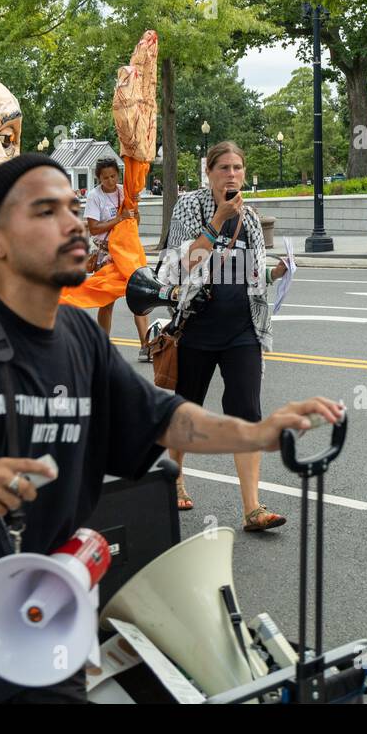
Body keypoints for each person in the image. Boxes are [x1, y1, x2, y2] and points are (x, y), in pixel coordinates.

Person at [0, 156, 341, 704]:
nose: (74, 222)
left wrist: (258, 433)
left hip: (51, 623)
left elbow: (164, 417)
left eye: (73, 206)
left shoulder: (80, 337)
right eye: (46, 211)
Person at [159, 141, 292, 529]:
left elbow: (251, 273)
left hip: (242, 331)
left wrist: (276, 273)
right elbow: (179, 267)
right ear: (209, 173)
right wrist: (216, 220)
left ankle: (252, 508)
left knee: (248, 415)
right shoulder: (190, 207)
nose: (231, 175)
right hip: (197, 328)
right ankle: (176, 479)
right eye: (223, 168)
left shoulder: (249, 217)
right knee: (186, 411)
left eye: (237, 168)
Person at [83, 157, 150, 360]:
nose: (110, 181)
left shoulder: (125, 191)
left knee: (140, 296)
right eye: (105, 178)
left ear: (118, 175)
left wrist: (133, 214)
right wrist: (118, 219)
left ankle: (145, 345)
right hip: (105, 253)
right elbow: (93, 228)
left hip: (127, 252)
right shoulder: (95, 196)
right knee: (107, 301)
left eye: (113, 176)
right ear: (98, 178)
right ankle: (102, 347)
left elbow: (136, 220)